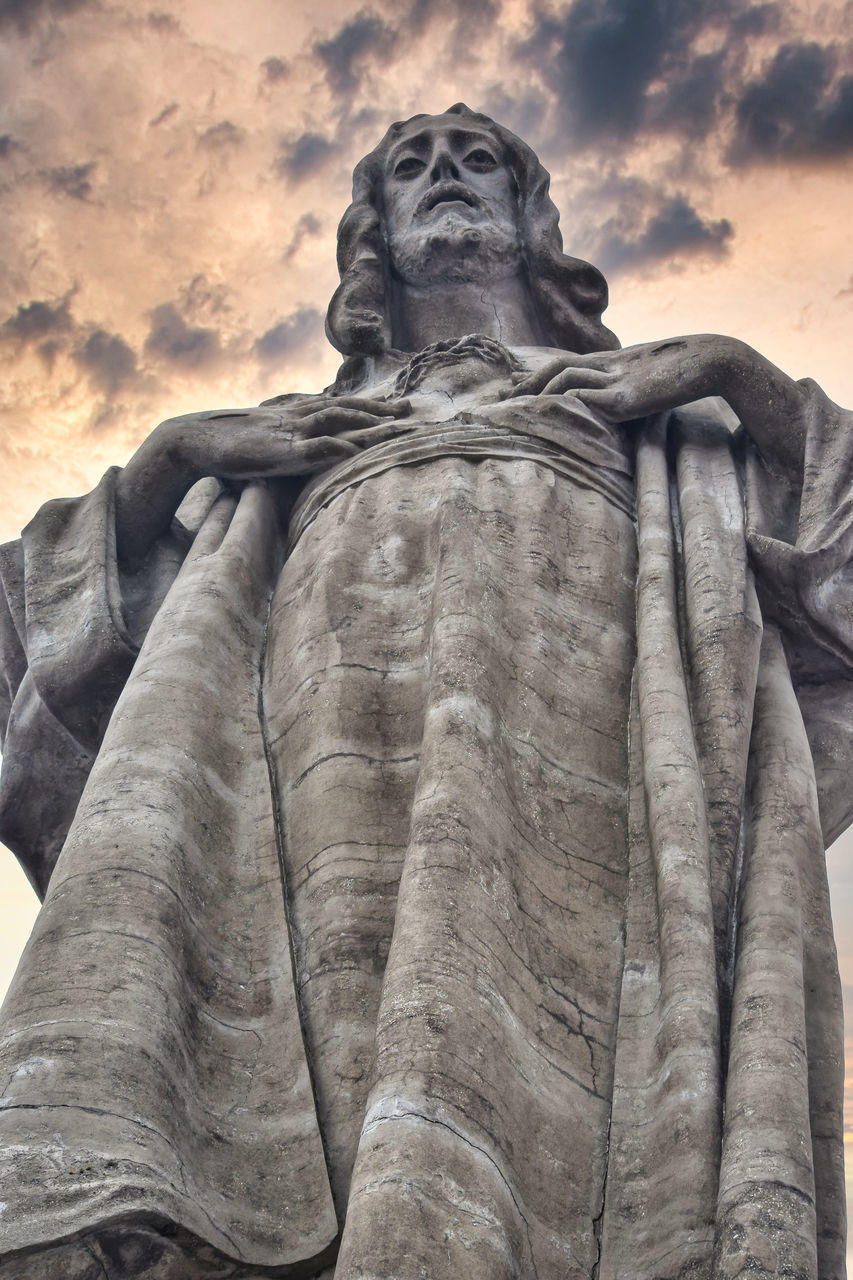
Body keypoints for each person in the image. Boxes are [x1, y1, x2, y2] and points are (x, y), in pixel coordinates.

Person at [0, 104, 850, 1280]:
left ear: (529, 213)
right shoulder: (278, 435)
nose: (447, 174)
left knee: (548, 1123)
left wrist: (732, 374)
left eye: (478, 159)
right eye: (414, 165)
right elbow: (27, 620)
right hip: (303, 787)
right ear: (377, 231)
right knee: (328, 1092)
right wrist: (175, 458)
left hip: (581, 776)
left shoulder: (669, 409)